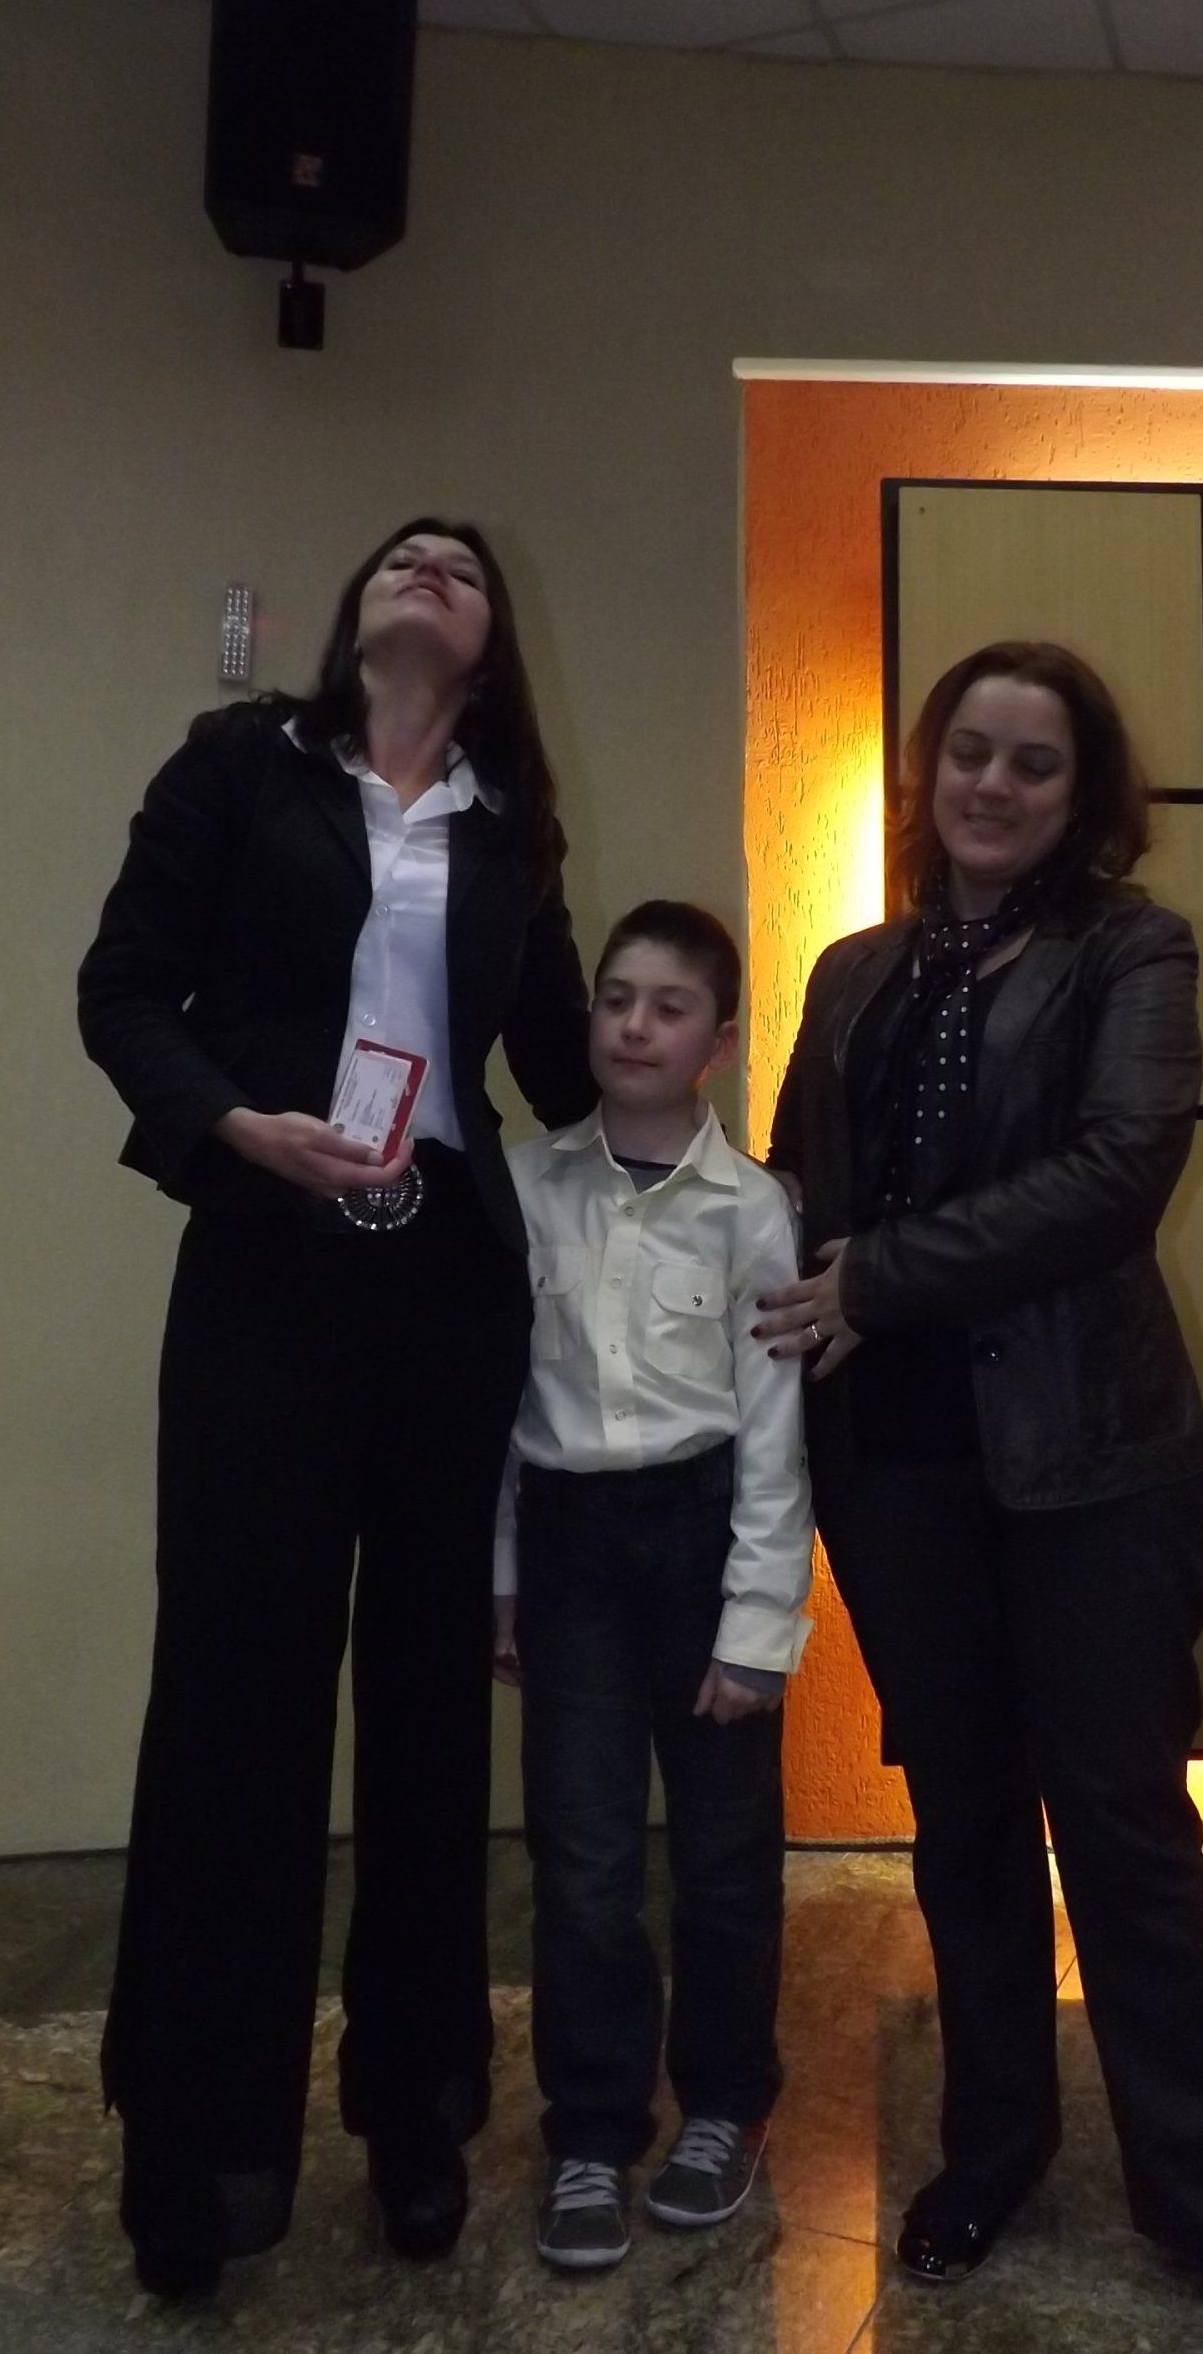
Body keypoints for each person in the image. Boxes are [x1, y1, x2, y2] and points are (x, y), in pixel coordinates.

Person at [760, 641, 1203, 2354]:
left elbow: (1116, 1175)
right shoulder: (855, 969)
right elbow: (798, 1182)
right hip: (896, 1460)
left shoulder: (1132, 949)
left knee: (1126, 1828)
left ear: (1085, 797)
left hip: (1087, 1456)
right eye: (972, 753)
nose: (994, 785)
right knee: (964, 1824)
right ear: (928, 771)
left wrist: (880, 1278)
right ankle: (993, 2147)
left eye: (1035, 762)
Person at [77, 517, 594, 2298]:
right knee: (237, 1698)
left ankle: (419, 2112)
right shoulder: (242, 767)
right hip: (265, 1261)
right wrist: (236, 1127)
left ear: (491, 638)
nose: (430, 562)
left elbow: (562, 1066)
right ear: (359, 613)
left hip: (448, 1283)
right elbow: (121, 990)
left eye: (464, 562)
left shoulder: (512, 826)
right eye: (405, 553)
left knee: (433, 1705)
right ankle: (203, 2147)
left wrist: (703, 1099)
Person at [491, 899, 812, 2272]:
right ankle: (589, 2127)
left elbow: (776, 1428)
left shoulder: (754, 1207)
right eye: (616, 998)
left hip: (703, 1536)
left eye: (669, 1007)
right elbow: (500, 1407)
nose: (634, 1025)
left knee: (727, 1860)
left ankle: (725, 2106)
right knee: (584, 1862)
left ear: (717, 1043)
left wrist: (758, 1625)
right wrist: (502, 1578)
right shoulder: (524, 1185)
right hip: (568, 1545)